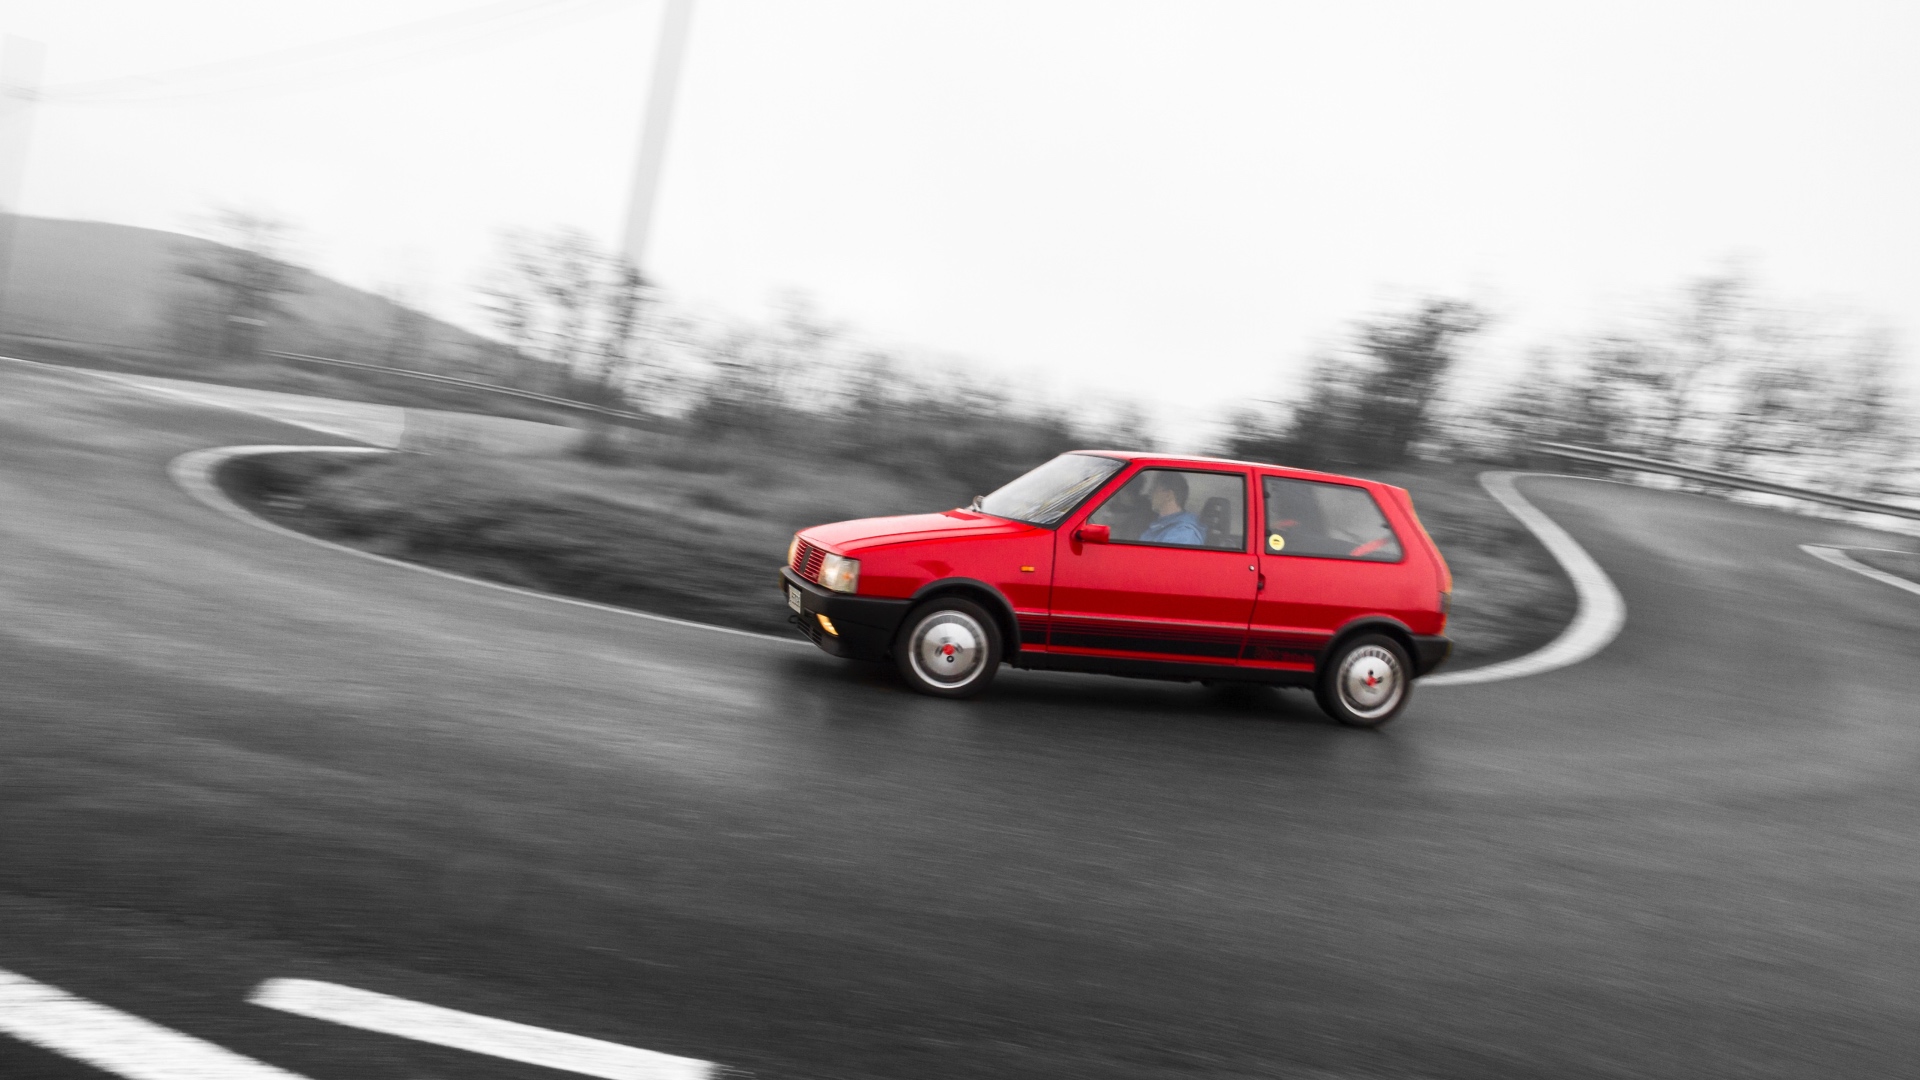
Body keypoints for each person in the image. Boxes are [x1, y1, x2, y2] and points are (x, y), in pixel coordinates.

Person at [1138, 473, 1207, 546]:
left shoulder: (1182, 534)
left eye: (1154, 489)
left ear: (1168, 495)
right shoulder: (1163, 525)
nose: (1149, 493)